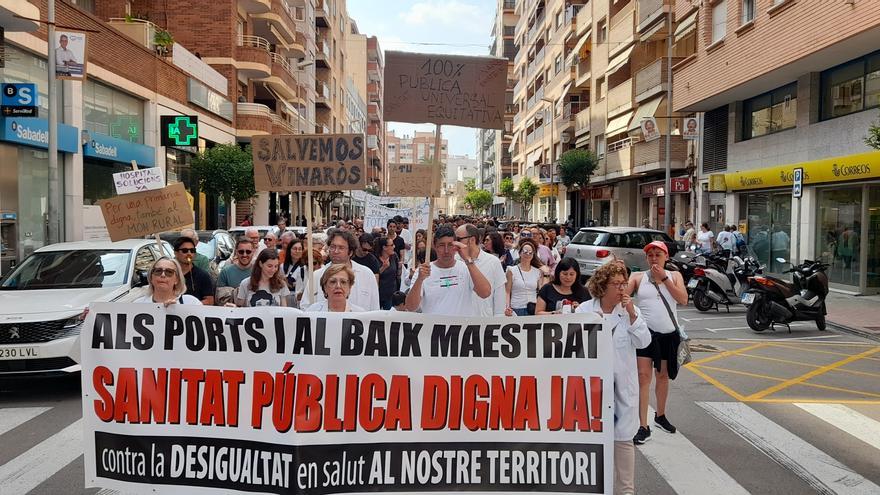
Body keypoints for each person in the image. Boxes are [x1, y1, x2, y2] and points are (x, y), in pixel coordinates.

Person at [578, 262, 650, 495]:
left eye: (624, 283)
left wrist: (631, 315)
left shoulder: (631, 311)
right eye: (616, 284)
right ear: (602, 285)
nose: (622, 289)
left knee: (623, 440)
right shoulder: (585, 310)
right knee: (592, 442)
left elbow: (644, 342)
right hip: (592, 389)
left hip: (621, 389)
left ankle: (626, 490)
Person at [629, 241, 688, 445]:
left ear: (666, 257)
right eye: (650, 255)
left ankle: (660, 416)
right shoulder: (637, 278)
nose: (654, 258)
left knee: (662, 376)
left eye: (658, 254)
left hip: (668, 334)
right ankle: (642, 426)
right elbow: (623, 296)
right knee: (643, 377)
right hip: (646, 335)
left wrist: (664, 279)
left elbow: (683, 300)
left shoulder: (675, 276)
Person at [405, 226, 491, 316]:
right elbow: (411, 307)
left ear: (456, 246)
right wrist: (419, 280)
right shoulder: (423, 271)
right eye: (441, 245)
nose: (446, 251)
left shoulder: (466, 268)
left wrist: (468, 260)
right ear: (435, 246)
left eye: (450, 245)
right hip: (434, 328)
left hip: (462, 328)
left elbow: (485, 293)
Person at [301, 229, 380, 310]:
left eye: (341, 248)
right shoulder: (317, 276)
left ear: (351, 252)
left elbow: (375, 309)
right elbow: (305, 308)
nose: (336, 251)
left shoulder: (367, 275)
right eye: (332, 247)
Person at [456, 224, 507, 316]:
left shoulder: (493, 262)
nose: (455, 243)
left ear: (472, 240)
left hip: (484, 322)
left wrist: (497, 321)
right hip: (459, 322)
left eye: (458, 239)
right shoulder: (454, 261)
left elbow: (500, 297)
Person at [504, 238, 547, 316]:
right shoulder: (511, 270)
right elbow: (507, 291)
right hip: (516, 309)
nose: (528, 254)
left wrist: (546, 274)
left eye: (531, 253)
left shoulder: (538, 271)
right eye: (525, 252)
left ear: (533, 255)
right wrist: (507, 306)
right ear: (520, 253)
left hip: (532, 308)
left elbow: (542, 291)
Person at [134, 257, 202, 305]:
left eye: (169, 272)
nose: (163, 275)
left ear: (177, 279)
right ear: (151, 277)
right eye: (158, 271)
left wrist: (178, 310)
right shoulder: (138, 305)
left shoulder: (191, 303)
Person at [173, 236, 214, 305]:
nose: (189, 253)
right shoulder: (168, 274)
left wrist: (191, 306)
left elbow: (209, 301)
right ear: (176, 253)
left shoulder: (203, 275)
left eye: (192, 250)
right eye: (185, 251)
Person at [217, 238, 257, 304]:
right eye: (241, 252)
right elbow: (219, 298)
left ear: (253, 252)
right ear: (236, 252)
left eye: (248, 252)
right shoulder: (226, 272)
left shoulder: (259, 272)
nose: (244, 255)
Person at [373, 235, 401, 310]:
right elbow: (372, 276)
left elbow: (397, 273)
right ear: (384, 247)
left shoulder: (394, 256)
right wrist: (383, 268)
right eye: (391, 245)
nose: (394, 247)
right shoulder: (374, 258)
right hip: (378, 294)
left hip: (391, 294)